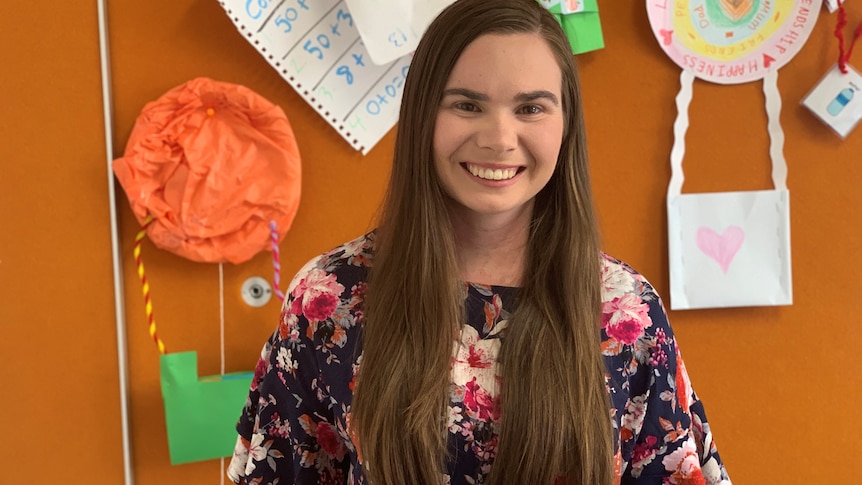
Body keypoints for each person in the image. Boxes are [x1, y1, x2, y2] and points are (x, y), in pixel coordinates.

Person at [227, 0, 731, 483]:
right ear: (423, 116)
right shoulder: (329, 299)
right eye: (467, 105)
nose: (499, 137)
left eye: (531, 108)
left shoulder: (627, 310)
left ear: (565, 126)